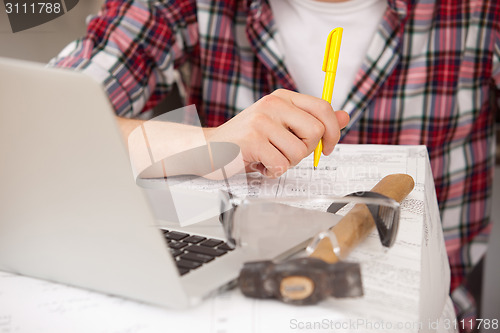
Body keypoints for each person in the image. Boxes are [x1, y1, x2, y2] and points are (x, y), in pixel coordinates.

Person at [50, 0, 500, 330]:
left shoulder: (479, 12)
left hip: (440, 310)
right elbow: (43, 118)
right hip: (231, 307)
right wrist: (208, 146)